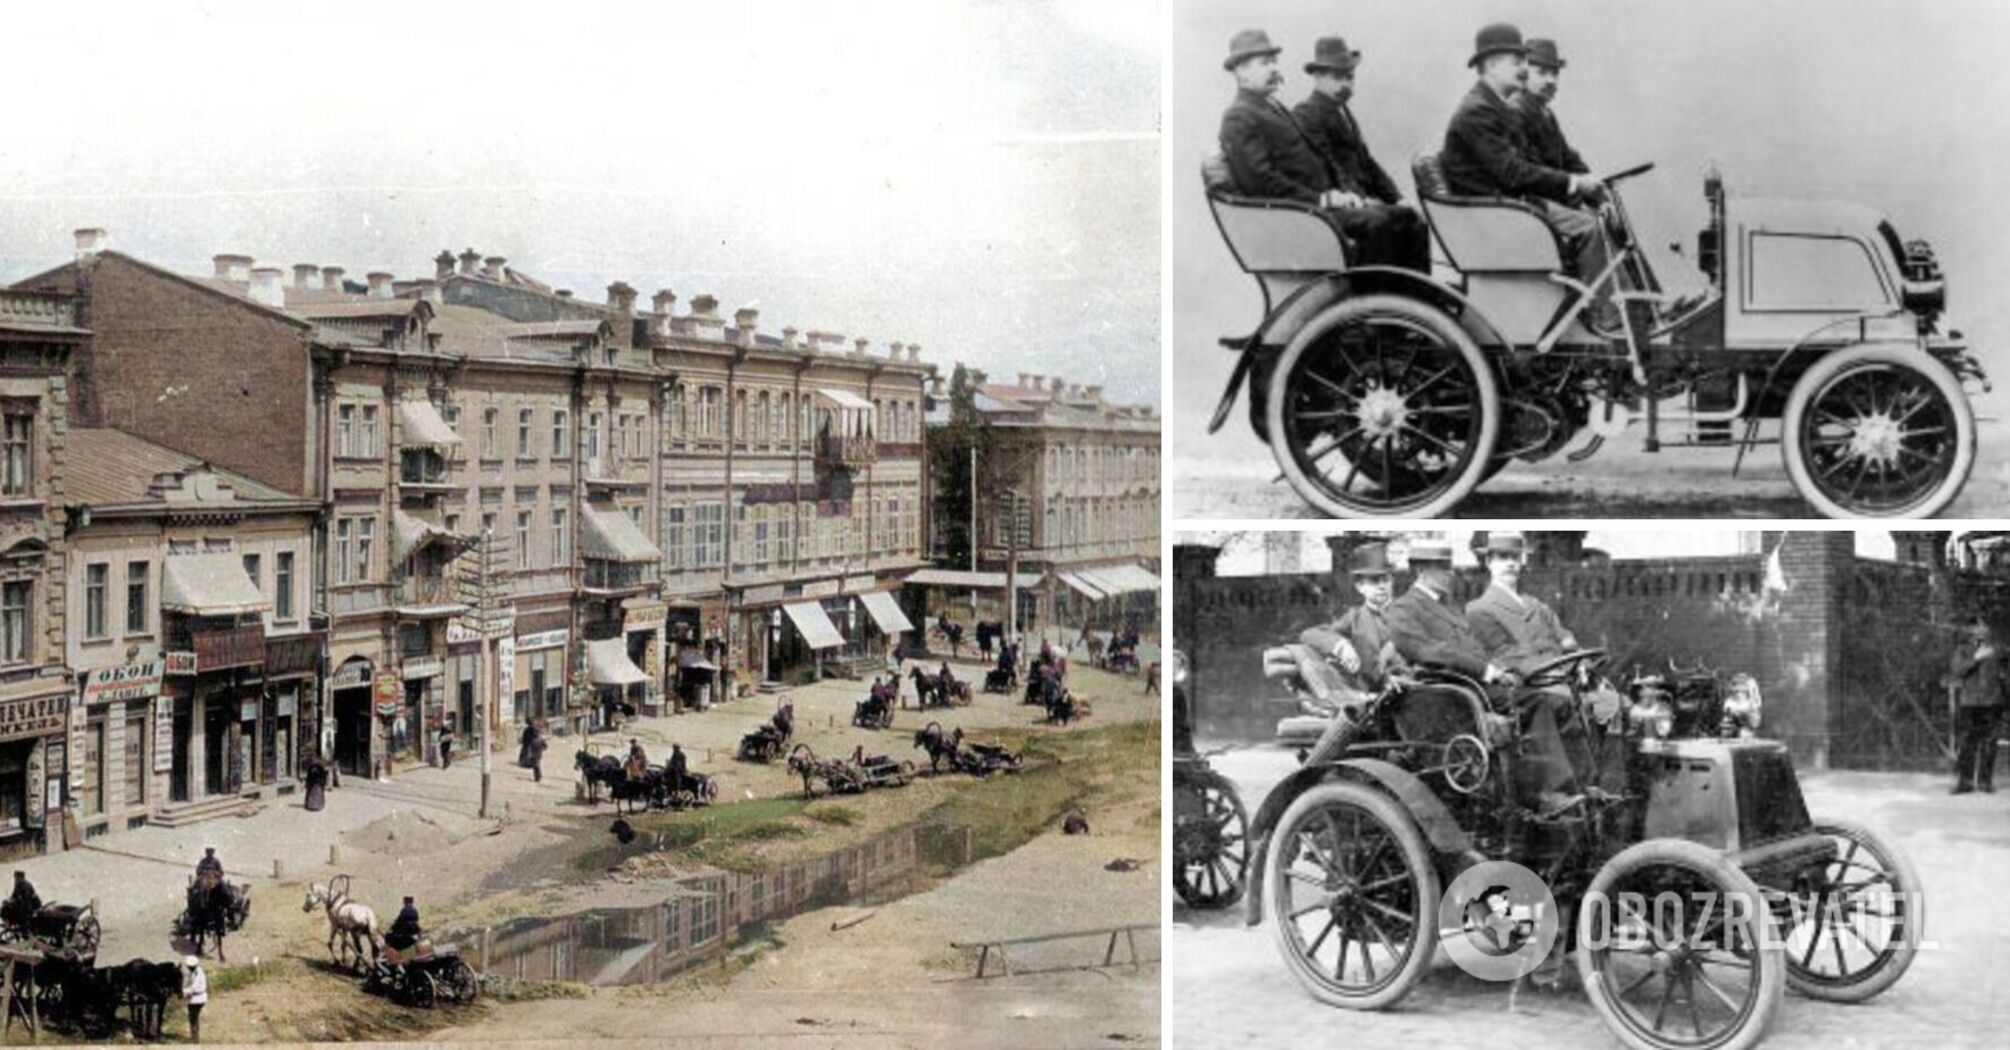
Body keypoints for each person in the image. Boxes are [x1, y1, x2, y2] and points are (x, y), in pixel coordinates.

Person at [1385, 539, 1590, 815]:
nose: (1450, 574)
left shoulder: (1449, 607)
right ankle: (1544, 794)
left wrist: (1499, 670)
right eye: (1442, 568)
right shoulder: (1404, 608)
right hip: (1446, 692)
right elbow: (1430, 652)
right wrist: (1487, 671)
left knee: (1558, 703)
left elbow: (1475, 649)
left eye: (1449, 567)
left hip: (1471, 685)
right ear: (1421, 570)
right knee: (1534, 702)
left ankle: (1579, 785)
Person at [1440, 23, 1618, 329]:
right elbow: (1512, 172)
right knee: (1592, 229)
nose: (1524, 69)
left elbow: (1527, 164)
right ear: (1492, 64)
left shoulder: (1495, 107)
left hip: (1509, 208)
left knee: (1596, 223)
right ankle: (1611, 321)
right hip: (1495, 217)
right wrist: (1575, 184)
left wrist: (1580, 186)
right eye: (1517, 61)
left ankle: (1625, 311)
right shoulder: (1477, 111)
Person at [1291, 36, 1430, 271]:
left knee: (1412, 218)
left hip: (1359, 199)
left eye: (1350, 77)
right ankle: (1375, 296)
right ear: (1318, 77)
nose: (1346, 84)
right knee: (1381, 223)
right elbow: (1328, 164)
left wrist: (1395, 197)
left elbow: (1367, 161)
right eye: (1338, 77)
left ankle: (1416, 296)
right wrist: (1361, 200)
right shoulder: (1307, 114)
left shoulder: (1342, 111)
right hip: (1339, 204)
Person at [1299, 542, 1407, 691]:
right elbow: (1309, 634)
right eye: (1375, 580)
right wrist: (1340, 645)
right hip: (1371, 701)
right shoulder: (1354, 618)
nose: (1382, 586)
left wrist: (1401, 677)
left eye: (1386, 579)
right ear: (1360, 586)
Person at [1514, 39, 1588, 176]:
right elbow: (1531, 169)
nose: (1551, 81)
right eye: (1541, 73)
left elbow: (1567, 157)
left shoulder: (1545, 113)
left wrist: (1590, 179)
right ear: (1523, 74)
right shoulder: (1516, 111)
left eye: (1555, 74)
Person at [1948, 618, 2005, 794]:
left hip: (1992, 701)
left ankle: (1984, 782)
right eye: (1975, 627)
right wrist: (1975, 658)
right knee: (1967, 743)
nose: (1979, 630)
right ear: (1970, 630)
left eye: (1983, 626)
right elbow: (1957, 670)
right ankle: (1965, 782)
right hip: (1970, 702)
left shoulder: (1997, 648)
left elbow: (2005, 672)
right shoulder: (1962, 649)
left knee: (1989, 743)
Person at [181, 955, 207, 1042]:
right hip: (195, 998)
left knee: (193, 1017)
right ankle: (194, 1035)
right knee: (192, 1017)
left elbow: (194, 988)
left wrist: (183, 991)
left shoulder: (198, 974)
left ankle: (195, 1037)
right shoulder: (196, 972)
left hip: (197, 999)